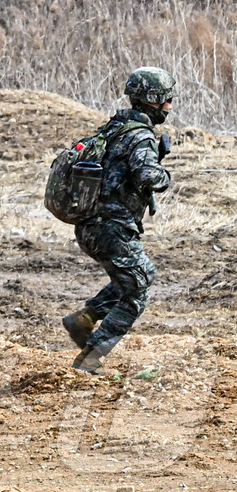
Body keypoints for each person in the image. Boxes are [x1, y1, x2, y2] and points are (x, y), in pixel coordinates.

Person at [65, 67, 175, 374]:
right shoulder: (140, 135)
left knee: (141, 274)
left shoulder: (114, 128)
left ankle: (85, 318)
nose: (169, 107)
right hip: (112, 227)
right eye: (166, 100)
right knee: (137, 289)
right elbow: (149, 176)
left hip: (91, 226)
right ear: (152, 100)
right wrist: (164, 174)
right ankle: (90, 357)